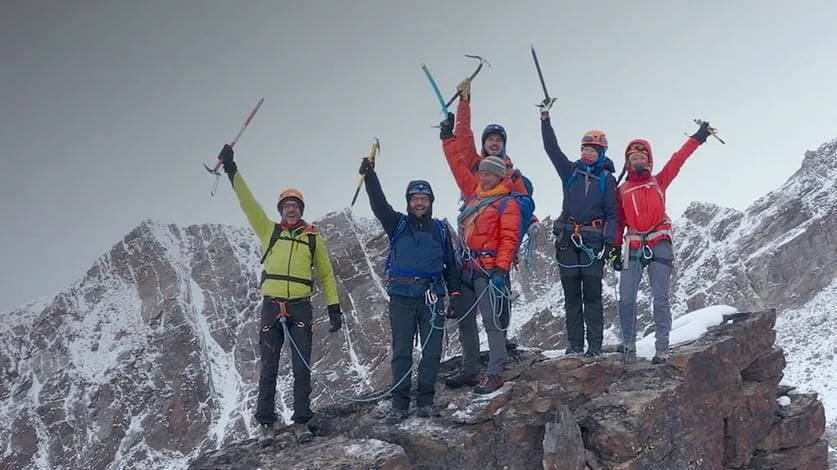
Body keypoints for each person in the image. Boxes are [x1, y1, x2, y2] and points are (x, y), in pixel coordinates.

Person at [218, 144, 344, 444]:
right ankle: (266, 423)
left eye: (295, 206)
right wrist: (232, 169)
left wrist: (334, 307)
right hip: (272, 306)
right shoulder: (269, 231)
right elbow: (247, 202)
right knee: (269, 366)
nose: (291, 209)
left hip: (300, 306)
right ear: (280, 210)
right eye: (287, 205)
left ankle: (301, 421)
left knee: (301, 367)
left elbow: (326, 274)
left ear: (301, 210)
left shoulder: (313, 238)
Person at [357, 156, 461, 424]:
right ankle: (400, 404)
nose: (419, 203)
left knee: (432, 351)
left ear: (431, 202)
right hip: (402, 297)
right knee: (402, 351)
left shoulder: (440, 230)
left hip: (431, 296)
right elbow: (379, 205)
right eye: (415, 198)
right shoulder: (397, 224)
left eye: (424, 198)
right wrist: (370, 177)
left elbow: (450, 265)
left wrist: (455, 294)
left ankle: (425, 400)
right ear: (408, 201)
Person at [443, 77, 538, 351]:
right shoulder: (475, 165)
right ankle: (477, 351)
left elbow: (523, 203)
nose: (494, 143)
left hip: (498, 241)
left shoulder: (511, 173)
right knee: (476, 294)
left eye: (499, 140)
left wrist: (530, 221)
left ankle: (500, 339)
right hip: (474, 233)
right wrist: (464, 102)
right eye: (490, 139)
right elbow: (464, 138)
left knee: (500, 291)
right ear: (484, 143)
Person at [611, 121, 715, 363]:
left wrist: (698, 137)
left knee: (660, 298)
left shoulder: (659, 181)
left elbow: (678, 159)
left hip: (659, 243)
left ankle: (662, 348)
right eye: (634, 158)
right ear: (628, 163)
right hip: (633, 245)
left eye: (642, 157)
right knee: (626, 299)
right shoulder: (622, 190)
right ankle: (628, 345)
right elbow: (618, 221)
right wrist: (615, 248)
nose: (639, 161)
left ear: (649, 161)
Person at [439, 122, 523, 394]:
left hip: (488, 269)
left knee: (491, 322)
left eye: (491, 174)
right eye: (483, 172)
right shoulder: (475, 197)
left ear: (500, 177)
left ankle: (495, 372)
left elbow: (508, 238)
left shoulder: (506, 202)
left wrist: (501, 269)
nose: (485, 177)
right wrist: (447, 140)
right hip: (467, 267)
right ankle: (471, 369)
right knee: (466, 321)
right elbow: (457, 165)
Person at [538, 98, 617, 358]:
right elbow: (551, 149)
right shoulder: (569, 171)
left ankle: (594, 347)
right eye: (586, 149)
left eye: (594, 150)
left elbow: (612, 213)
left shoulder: (607, 179)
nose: (588, 153)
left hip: (593, 242)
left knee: (592, 297)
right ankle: (575, 346)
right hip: (568, 241)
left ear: (601, 153)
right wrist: (545, 118)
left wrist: (609, 243)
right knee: (572, 297)